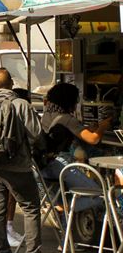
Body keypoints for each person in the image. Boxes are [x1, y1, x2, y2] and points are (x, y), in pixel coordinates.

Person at [0, 68, 59, 253]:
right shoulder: (21, 105)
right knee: (30, 207)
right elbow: (37, 135)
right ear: (11, 84)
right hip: (18, 165)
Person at [38, 82, 107, 213]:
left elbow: (74, 131)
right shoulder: (67, 119)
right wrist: (102, 127)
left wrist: (90, 129)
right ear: (70, 100)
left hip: (45, 165)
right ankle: (63, 209)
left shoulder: (48, 115)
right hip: (61, 166)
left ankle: (63, 211)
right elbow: (93, 139)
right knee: (98, 194)